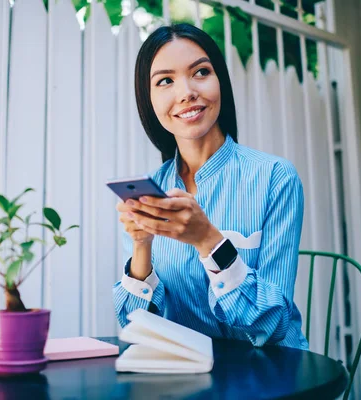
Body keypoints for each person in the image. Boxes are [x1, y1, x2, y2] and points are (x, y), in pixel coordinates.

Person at [113, 23, 309, 350]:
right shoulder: (149, 193)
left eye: (201, 72)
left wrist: (207, 239)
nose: (187, 92)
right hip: (188, 376)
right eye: (165, 81)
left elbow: (273, 325)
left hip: (272, 376)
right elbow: (135, 326)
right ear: (148, 100)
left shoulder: (275, 177)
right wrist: (141, 246)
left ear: (220, 82)